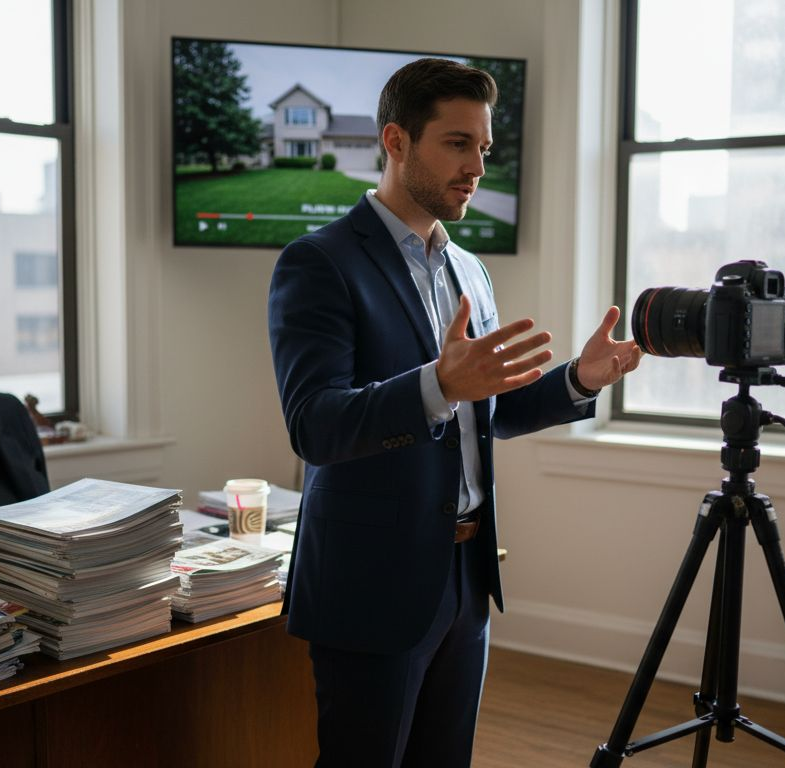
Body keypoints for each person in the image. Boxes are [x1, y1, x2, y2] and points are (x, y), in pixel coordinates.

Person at [267, 57, 642, 768]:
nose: (478, 167)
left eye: (485, 149)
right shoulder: (318, 263)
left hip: (466, 580)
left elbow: (487, 410)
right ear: (396, 141)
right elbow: (315, 424)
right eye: (457, 144)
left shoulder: (470, 269)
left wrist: (580, 380)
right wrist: (437, 383)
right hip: (370, 584)